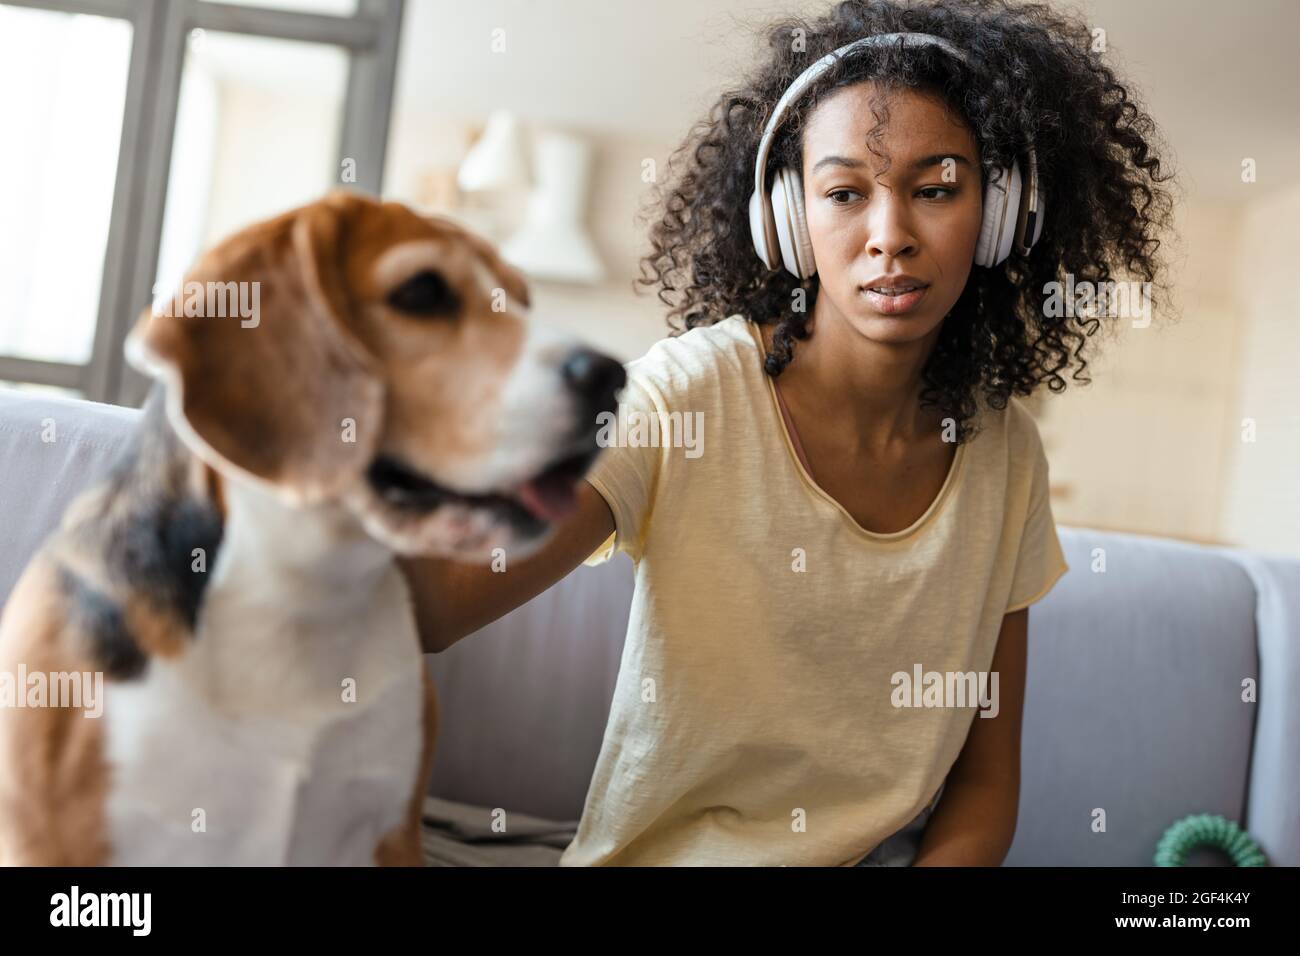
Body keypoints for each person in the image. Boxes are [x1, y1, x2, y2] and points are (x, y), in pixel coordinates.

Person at [398, 0, 1175, 866]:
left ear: (1001, 215)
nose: (890, 237)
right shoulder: (690, 394)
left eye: (936, 189)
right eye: (844, 193)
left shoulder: (1004, 452)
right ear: (787, 217)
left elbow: (985, 788)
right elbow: (439, 608)